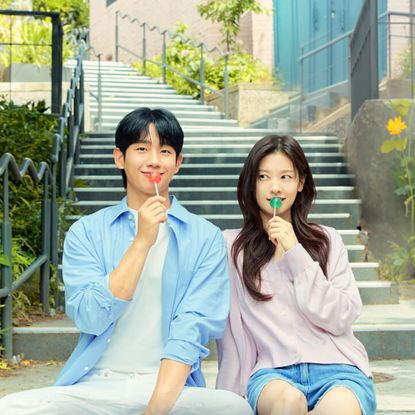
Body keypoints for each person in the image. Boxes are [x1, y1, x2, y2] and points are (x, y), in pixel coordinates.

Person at [0, 108, 253, 415]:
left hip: (169, 390)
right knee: (10, 408)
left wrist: (154, 411)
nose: (154, 160)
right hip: (95, 386)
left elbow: (193, 329)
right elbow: (90, 318)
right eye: (142, 149)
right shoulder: (88, 231)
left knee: (233, 408)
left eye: (165, 151)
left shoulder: (205, 238)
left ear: (178, 163)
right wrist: (142, 241)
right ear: (119, 158)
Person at [216, 135, 377, 415]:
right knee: (288, 402)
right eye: (263, 177)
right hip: (272, 374)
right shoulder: (231, 247)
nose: (275, 187)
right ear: (251, 183)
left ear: (301, 183)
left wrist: (295, 252)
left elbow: (341, 316)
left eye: (285, 177)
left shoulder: (327, 240)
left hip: (337, 369)